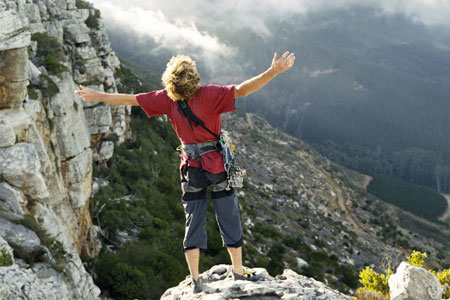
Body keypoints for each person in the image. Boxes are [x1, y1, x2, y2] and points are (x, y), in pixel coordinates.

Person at [75, 51, 295, 293]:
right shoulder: (210, 93)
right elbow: (242, 89)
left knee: (193, 219)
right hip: (217, 166)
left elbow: (131, 99)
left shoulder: (166, 99)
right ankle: (238, 271)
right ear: (194, 77)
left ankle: (195, 279)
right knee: (228, 214)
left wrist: (97, 95)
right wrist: (273, 72)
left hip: (191, 169)